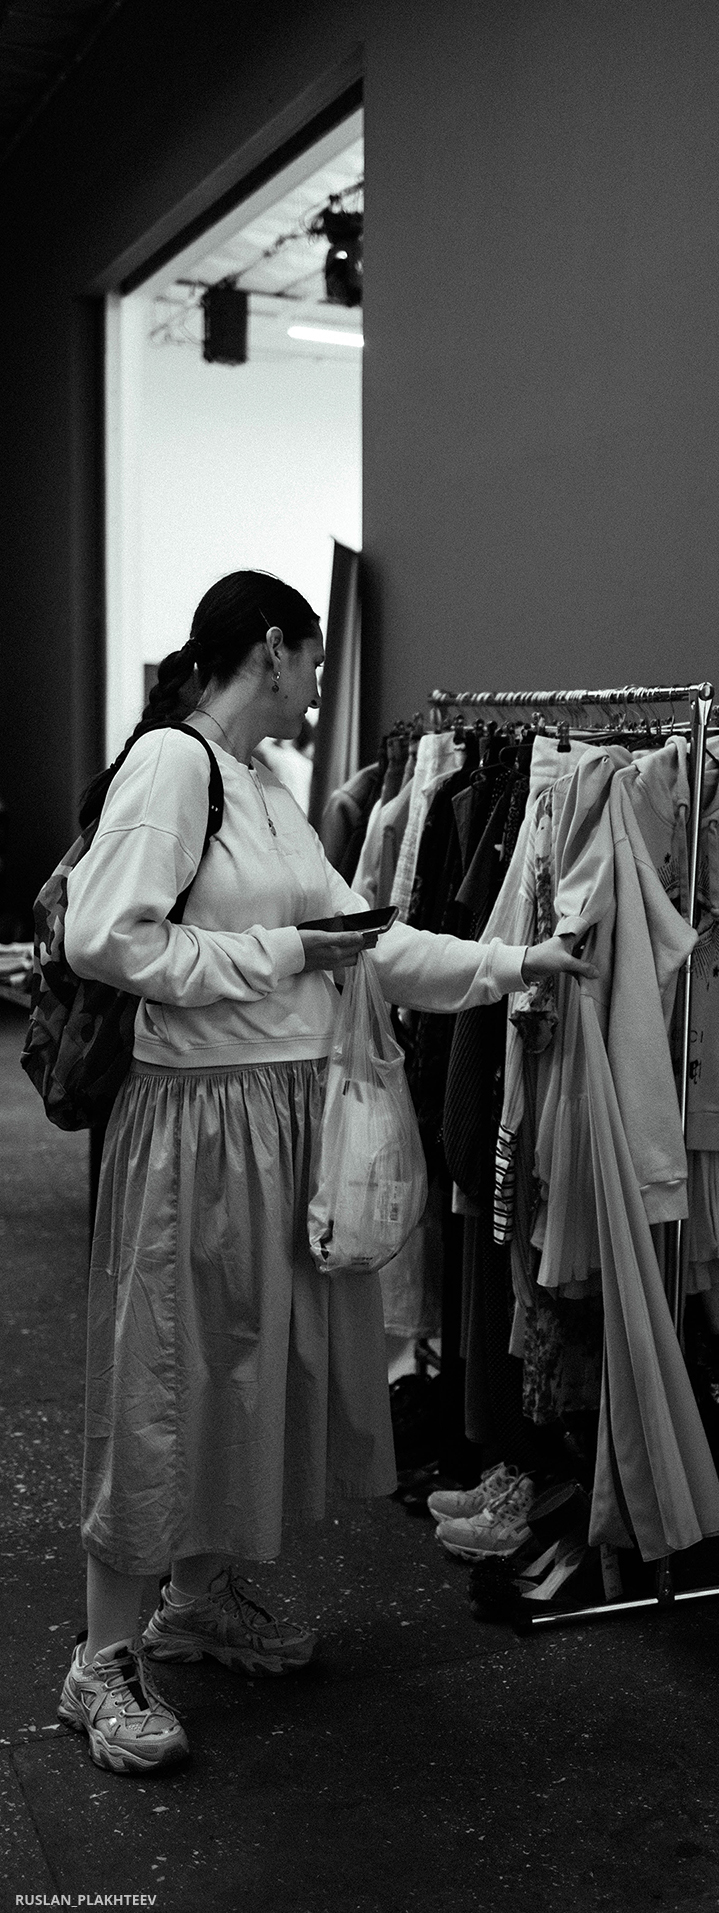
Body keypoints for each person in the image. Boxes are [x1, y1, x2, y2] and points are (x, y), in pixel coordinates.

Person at [56, 570, 592, 1774]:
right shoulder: (174, 765)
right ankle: (100, 1660)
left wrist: (517, 964)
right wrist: (281, 953)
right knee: (161, 1375)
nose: (314, 690)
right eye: (306, 663)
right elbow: (105, 937)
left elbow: (362, 944)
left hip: (269, 1123)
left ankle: (195, 1599)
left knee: (240, 1374)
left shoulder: (261, 787)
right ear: (273, 648)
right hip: (194, 1122)